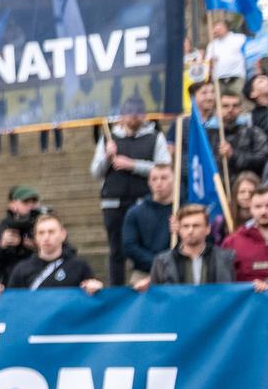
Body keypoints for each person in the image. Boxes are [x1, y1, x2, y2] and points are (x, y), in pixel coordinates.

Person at [91, 96, 170, 287]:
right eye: (129, 113)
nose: (133, 118)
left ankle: (149, 284)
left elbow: (164, 168)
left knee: (142, 248)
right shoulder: (109, 138)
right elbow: (95, 171)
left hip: (143, 201)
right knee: (116, 250)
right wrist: (108, 157)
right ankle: (116, 288)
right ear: (121, 116)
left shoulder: (155, 137)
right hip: (113, 201)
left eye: (137, 114)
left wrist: (132, 165)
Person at [140, 205, 253, 288]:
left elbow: (240, 288)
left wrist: (254, 286)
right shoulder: (162, 261)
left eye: (196, 226)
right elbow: (155, 297)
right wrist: (144, 288)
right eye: (186, 226)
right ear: (179, 229)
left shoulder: (226, 258)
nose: (190, 230)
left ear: (208, 229)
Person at [3, 214, 103, 293]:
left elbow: (94, 301)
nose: (46, 237)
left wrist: (96, 289)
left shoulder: (79, 266)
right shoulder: (22, 269)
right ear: (35, 238)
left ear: (63, 235)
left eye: (51, 232)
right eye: (41, 233)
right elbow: (12, 302)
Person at [0, 185, 44, 285]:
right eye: (25, 202)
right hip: (6, 289)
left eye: (34, 202)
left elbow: (66, 255)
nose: (31, 206)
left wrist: (38, 248)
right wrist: (1, 247)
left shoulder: (46, 229)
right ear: (12, 205)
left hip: (38, 287)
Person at [120, 164, 176, 280]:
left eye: (164, 178)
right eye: (154, 179)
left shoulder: (184, 211)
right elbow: (129, 246)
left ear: (174, 180)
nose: (159, 183)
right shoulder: (135, 212)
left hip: (179, 272)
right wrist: (158, 263)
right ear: (149, 182)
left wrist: (181, 231)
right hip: (144, 272)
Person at [207, 18, 248, 84]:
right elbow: (208, 62)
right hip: (218, 79)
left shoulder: (240, 38)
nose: (217, 30)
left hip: (237, 76)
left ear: (226, 27)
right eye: (215, 28)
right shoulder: (212, 45)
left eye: (219, 28)